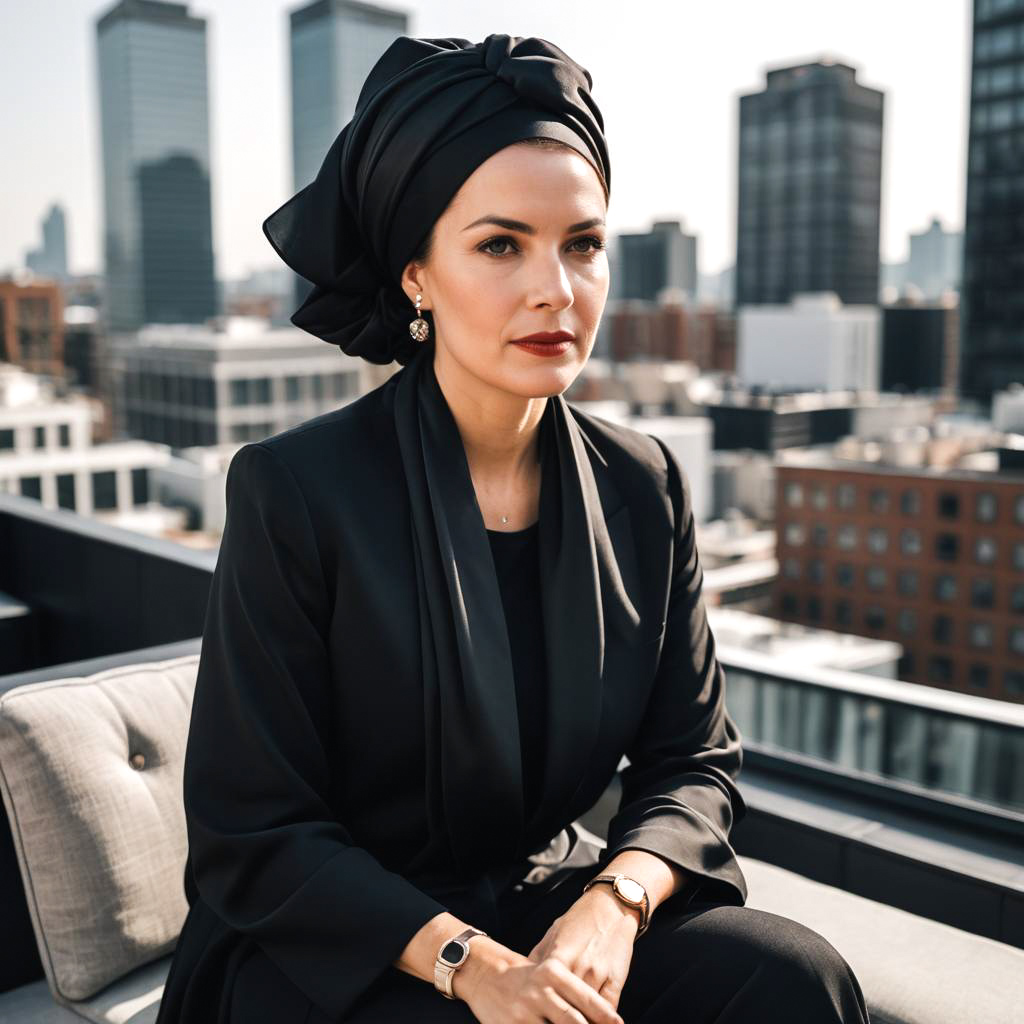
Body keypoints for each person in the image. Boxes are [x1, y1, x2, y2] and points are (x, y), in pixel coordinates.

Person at [155, 34, 870, 1024]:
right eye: (501, 245)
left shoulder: (644, 483)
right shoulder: (293, 491)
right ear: (415, 274)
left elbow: (693, 763)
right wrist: (472, 964)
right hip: (332, 946)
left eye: (581, 244)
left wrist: (615, 900)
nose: (554, 289)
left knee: (792, 977)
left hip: (541, 892)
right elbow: (255, 831)